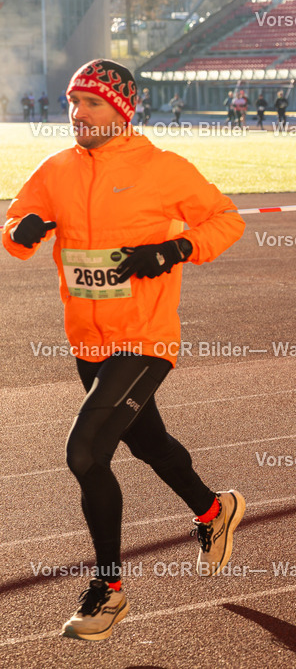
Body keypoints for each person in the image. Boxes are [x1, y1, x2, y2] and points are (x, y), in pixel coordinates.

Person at [2, 59, 246, 642]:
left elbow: (226, 220)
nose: (77, 113)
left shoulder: (162, 168)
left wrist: (174, 249)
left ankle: (108, 591)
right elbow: (13, 225)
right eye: (72, 102)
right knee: (149, 443)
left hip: (144, 337)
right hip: (88, 343)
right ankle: (214, 510)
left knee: (86, 453)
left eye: (90, 103)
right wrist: (19, 231)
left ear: (120, 109)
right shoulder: (56, 169)